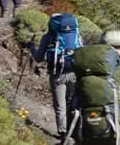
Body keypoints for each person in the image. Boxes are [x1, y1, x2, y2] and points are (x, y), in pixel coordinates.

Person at [31, 13, 82, 142]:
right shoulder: (76, 35)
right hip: (74, 73)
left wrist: (31, 47)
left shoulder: (48, 37)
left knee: (60, 105)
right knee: (71, 102)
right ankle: (74, 131)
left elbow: (38, 58)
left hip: (57, 74)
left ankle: (63, 133)